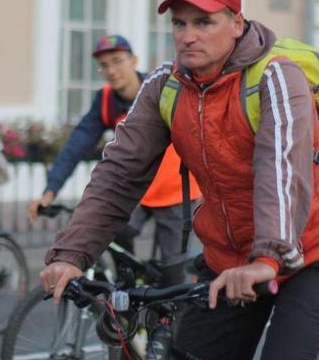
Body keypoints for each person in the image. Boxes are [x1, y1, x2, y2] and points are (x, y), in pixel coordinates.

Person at [41, 0, 319, 360]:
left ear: (237, 24)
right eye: (179, 23)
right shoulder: (164, 86)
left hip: (308, 252)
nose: (188, 35)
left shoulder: (275, 77)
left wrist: (267, 258)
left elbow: (281, 170)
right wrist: (71, 254)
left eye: (203, 22)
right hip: (228, 261)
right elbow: (119, 174)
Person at [27, 35, 200, 286]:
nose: (111, 70)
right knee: (114, 233)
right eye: (105, 65)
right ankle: (129, 292)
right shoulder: (106, 99)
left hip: (173, 192)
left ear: (134, 61)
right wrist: (50, 190)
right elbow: (77, 144)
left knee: (174, 273)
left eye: (117, 61)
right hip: (136, 193)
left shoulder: (161, 88)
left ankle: (175, 320)